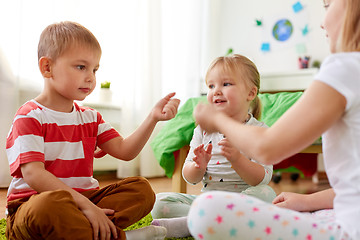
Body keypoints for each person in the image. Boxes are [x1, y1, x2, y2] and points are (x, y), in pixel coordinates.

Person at [188, 0, 360, 239]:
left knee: (204, 212)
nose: (322, 22)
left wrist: (216, 120)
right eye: (211, 85)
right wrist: (308, 201)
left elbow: (266, 148)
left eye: (327, 6)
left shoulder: (345, 68)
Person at [5, 21, 180, 240]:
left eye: (95, 69)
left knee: (141, 190)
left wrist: (153, 118)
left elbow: (125, 151)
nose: (91, 77)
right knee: (47, 207)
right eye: (81, 67)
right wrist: (87, 207)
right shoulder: (29, 116)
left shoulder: (90, 117)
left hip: (84, 201)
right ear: (47, 67)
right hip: (35, 205)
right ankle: (122, 236)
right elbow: (34, 174)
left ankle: (86, 230)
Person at [151, 54, 276, 238]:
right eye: (211, 86)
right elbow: (190, 177)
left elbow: (262, 178)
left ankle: (195, 223)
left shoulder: (258, 130)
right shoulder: (203, 130)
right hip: (208, 201)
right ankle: (219, 221)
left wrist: (237, 159)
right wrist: (198, 166)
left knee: (267, 194)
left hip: (243, 198)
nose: (216, 91)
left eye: (226, 84)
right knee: (159, 203)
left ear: (250, 93)